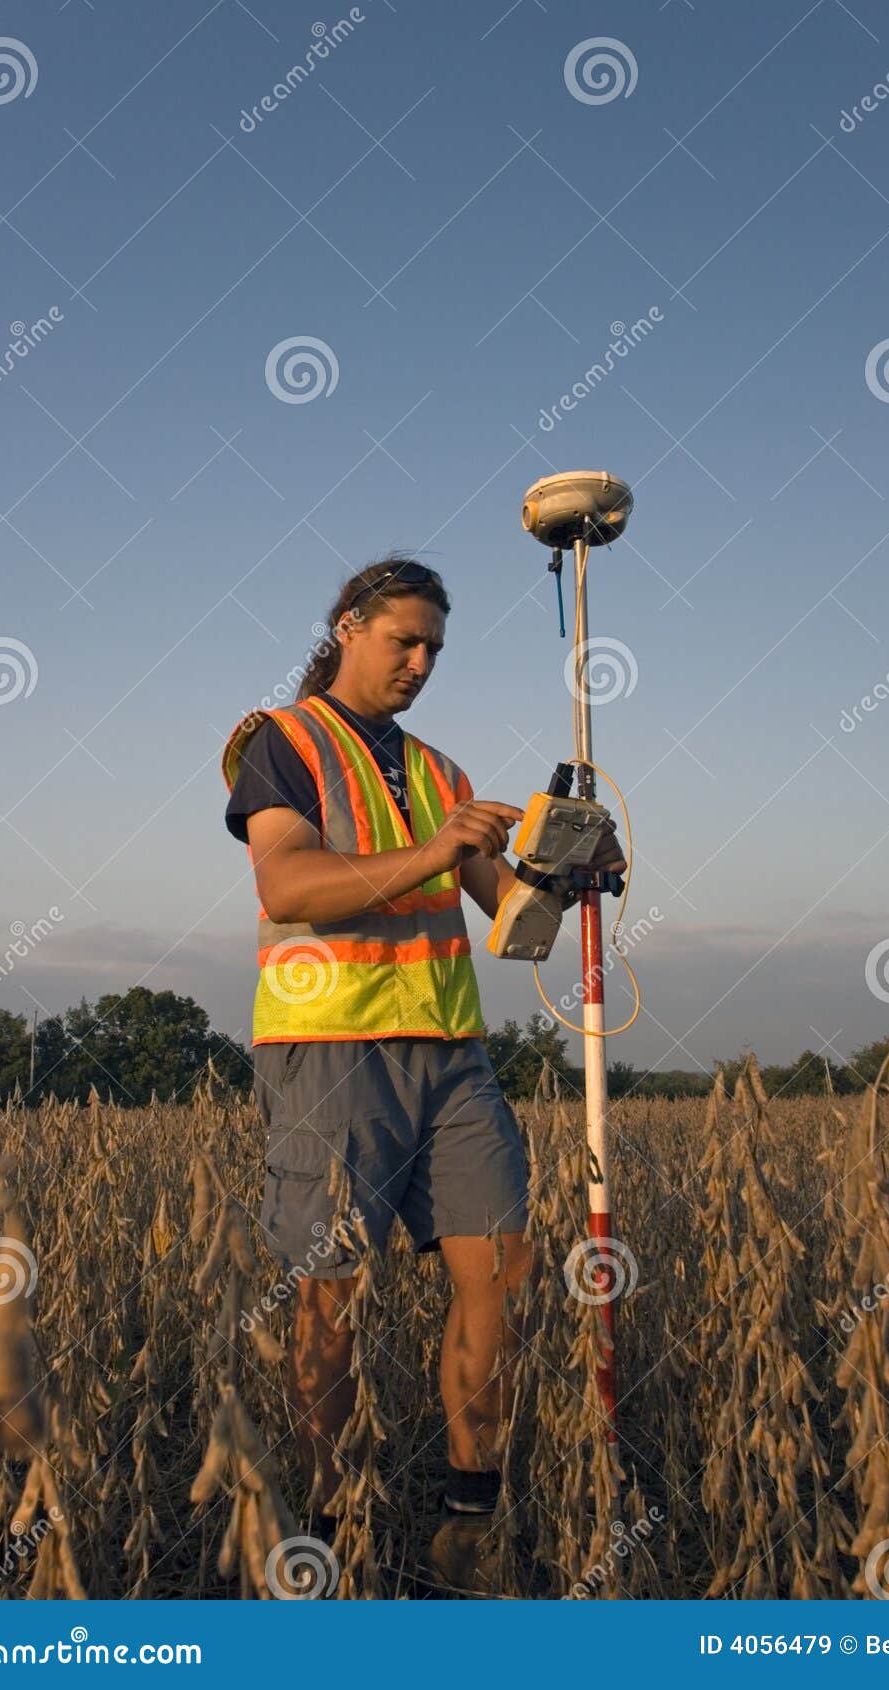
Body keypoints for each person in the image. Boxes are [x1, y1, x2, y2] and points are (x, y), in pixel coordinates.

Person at [221, 553, 626, 1594]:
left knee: (501, 1267)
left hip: (451, 1054)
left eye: (434, 648)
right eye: (402, 639)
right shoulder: (283, 740)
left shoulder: (441, 772)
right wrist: (438, 848)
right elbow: (291, 880)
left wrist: (572, 874)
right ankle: (331, 1515)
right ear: (347, 623)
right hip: (328, 1049)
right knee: (329, 1295)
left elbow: (513, 922)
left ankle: (467, 1512)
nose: (419, 662)